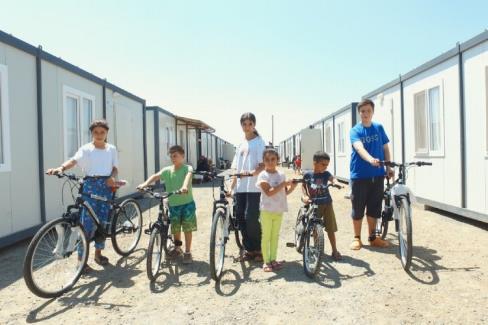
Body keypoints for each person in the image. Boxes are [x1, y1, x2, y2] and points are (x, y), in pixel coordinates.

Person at [46, 120, 118, 271]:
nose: (99, 135)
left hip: (106, 186)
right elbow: (74, 161)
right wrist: (61, 168)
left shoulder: (111, 149)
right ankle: (81, 261)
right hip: (90, 186)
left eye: (102, 132)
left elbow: (115, 168)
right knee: (86, 224)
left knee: (102, 222)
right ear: (91, 133)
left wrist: (112, 177)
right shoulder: (86, 149)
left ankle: (98, 254)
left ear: (106, 133)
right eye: (96, 132)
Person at [137, 145, 196, 264]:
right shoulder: (167, 170)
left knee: (187, 228)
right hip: (173, 204)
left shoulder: (187, 168)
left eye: (175, 156)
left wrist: (184, 186)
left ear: (182, 156)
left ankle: (188, 252)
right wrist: (145, 183)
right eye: (171, 156)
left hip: (187, 204)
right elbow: (155, 176)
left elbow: (188, 177)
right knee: (175, 228)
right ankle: (177, 248)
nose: (173, 158)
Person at [349, 99, 394, 250]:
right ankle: (356, 238)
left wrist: (388, 166)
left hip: (378, 175)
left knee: (374, 208)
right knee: (358, 208)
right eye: (362, 111)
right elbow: (359, 148)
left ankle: (372, 237)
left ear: (372, 111)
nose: (365, 114)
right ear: (359, 113)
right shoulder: (355, 130)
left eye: (368, 111)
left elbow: (385, 147)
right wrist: (370, 160)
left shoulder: (378, 127)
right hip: (360, 175)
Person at [231, 112, 266, 262]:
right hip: (240, 188)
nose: (247, 127)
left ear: (254, 125)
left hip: (254, 187)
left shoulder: (259, 142)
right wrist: (231, 187)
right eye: (244, 124)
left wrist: (251, 174)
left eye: (250, 124)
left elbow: (262, 165)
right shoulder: (240, 144)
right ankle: (248, 249)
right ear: (241, 126)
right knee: (240, 218)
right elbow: (235, 168)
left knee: (251, 217)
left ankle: (258, 249)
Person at [256, 148, 297, 272]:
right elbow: (269, 192)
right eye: (267, 159)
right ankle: (266, 262)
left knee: (275, 236)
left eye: (273, 159)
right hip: (266, 211)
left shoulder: (281, 175)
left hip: (278, 210)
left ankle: (273, 259)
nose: (270, 162)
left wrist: (293, 187)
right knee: (266, 236)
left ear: (277, 160)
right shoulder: (263, 175)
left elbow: (284, 193)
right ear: (263, 161)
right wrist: (284, 184)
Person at [302, 151, 342, 260]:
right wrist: (305, 196)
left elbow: (333, 178)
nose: (325, 167)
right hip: (315, 205)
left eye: (327, 165)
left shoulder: (326, 174)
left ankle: (334, 250)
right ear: (315, 162)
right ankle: (317, 248)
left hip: (327, 204)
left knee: (330, 228)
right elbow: (304, 187)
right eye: (323, 164)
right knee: (315, 228)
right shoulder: (307, 175)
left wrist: (336, 182)